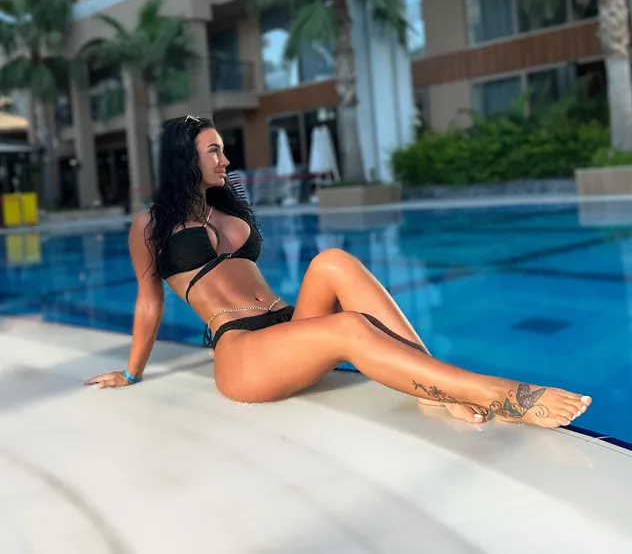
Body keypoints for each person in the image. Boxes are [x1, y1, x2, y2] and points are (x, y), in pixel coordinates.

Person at [85, 115, 592, 428]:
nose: (226, 158)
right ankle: (496, 392)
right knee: (350, 327)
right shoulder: (151, 224)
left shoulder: (227, 208)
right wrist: (131, 373)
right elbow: (149, 302)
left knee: (332, 261)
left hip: (288, 329)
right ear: (184, 159)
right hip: (244, 354)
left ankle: (430, 390)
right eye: (213, 150)